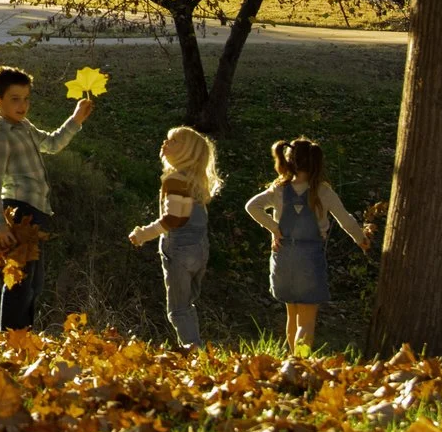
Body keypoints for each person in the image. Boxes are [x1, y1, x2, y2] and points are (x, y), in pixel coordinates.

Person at [0, 64, 95, 331]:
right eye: (15, 99)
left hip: (37, 212)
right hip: (19, 212)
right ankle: (11, 340)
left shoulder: (24, 126)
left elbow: (52, 144)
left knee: (34, 283)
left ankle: (24, 337)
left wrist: (76, 119)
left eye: (26, 98)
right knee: (18, 281)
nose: (22, 105)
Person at [243, 137, 371, 353]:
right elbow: (345, 218)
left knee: (291, 315)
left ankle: (291, 360)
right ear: (317, 164)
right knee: (307, 320)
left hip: (283, 257)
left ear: (289, 161)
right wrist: (361, 239)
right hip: (310, 260)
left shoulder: (279, 189)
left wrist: (275, 229)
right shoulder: (323, 191)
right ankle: (301, 363)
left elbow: (252, 206)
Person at [127, 125, 222, 347]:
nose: (165, 143)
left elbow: (174, 219)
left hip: (179, 250)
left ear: (186, 152)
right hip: (201, 250)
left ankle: (193, 351)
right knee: (188, 304)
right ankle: (194, 348)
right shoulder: (196, 183)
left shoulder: (174, 181)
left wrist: (144, 234)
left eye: (173, 141)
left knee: (177, 310)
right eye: (167, 139)